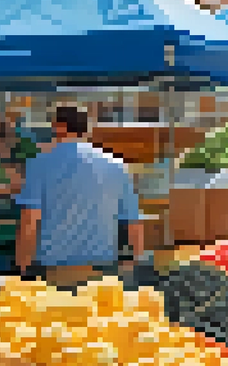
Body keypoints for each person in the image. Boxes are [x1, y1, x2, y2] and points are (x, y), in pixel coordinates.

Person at [15, 106, 145, 288]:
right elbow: (133, 222)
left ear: (58, 127)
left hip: (54, 269)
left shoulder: (39, 164)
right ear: (86, 129)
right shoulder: (117, 165)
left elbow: (29, 220)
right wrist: (135, 265)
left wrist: (22, 267)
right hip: (103, 269)